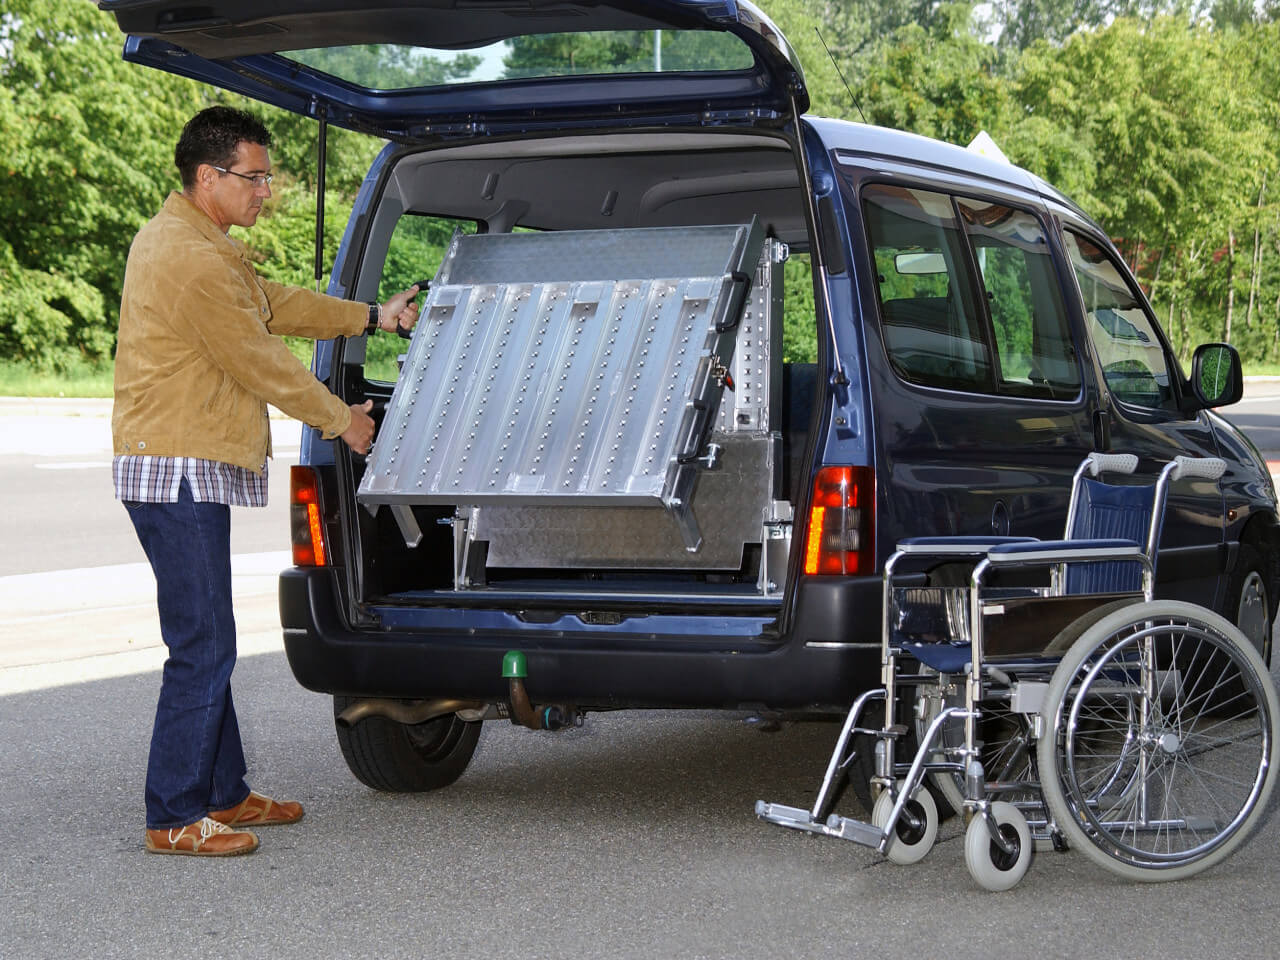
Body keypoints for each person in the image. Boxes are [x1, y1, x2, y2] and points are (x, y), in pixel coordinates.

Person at [112, 105, 421, 857]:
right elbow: (256, 356)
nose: (265, 193)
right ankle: (174, 815)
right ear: (208, 176)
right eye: (253, 179)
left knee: (208, 637)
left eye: (268, 177)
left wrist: (372, 317)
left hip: (185, 463)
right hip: (175, 468)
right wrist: (338, 418)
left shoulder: (205, 244)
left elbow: (277, 304)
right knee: (203, 644)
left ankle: (223, 794)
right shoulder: (188, 256)